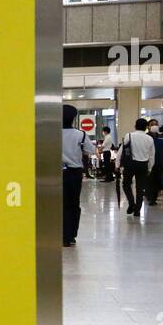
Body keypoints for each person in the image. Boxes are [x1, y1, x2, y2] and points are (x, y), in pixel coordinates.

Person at [61, 104, 94, 247]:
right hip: (75, 173)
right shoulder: (80, 134)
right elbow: (90, 150)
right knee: (74, 204)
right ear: (74, 118)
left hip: (56, 174)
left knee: (59, 204)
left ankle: (61, 234)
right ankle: (71, 235)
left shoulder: (51, 133)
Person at [120, 118, 155, 217]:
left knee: (126, 184)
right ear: (146, 128)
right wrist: (149, 168)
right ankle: (137, 210)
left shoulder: (129, 136)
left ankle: (132, 203)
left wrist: (117, 164)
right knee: (140, 188)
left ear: (135, 126)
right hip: (143, 165)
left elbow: (122, 150)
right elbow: (152, 155)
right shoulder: (149, 139)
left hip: (130, 164)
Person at [147, 119, 163, 205]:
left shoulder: (162, 137)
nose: (154, 126)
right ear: (148, 126)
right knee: (150, 180)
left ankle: (154, 198)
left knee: (157, 180)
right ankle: (150, 197)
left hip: (159, 162)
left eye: (156, 124)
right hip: (149, 162)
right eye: (152, 124)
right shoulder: (147, 136)